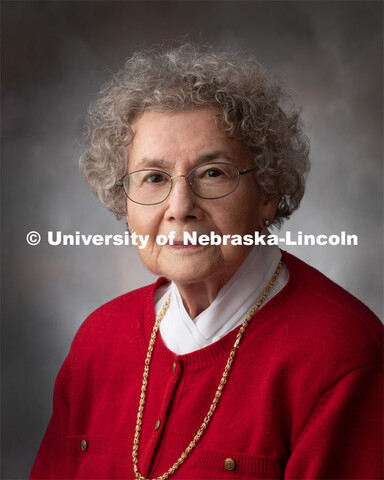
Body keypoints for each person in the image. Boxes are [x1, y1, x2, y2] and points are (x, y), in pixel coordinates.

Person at [30, 43, 383, 480]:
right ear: (125, 201)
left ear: (268, 194)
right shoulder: (97, 342)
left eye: (213, 172)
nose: (180, 207)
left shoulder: (343, 357)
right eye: (154, 178)